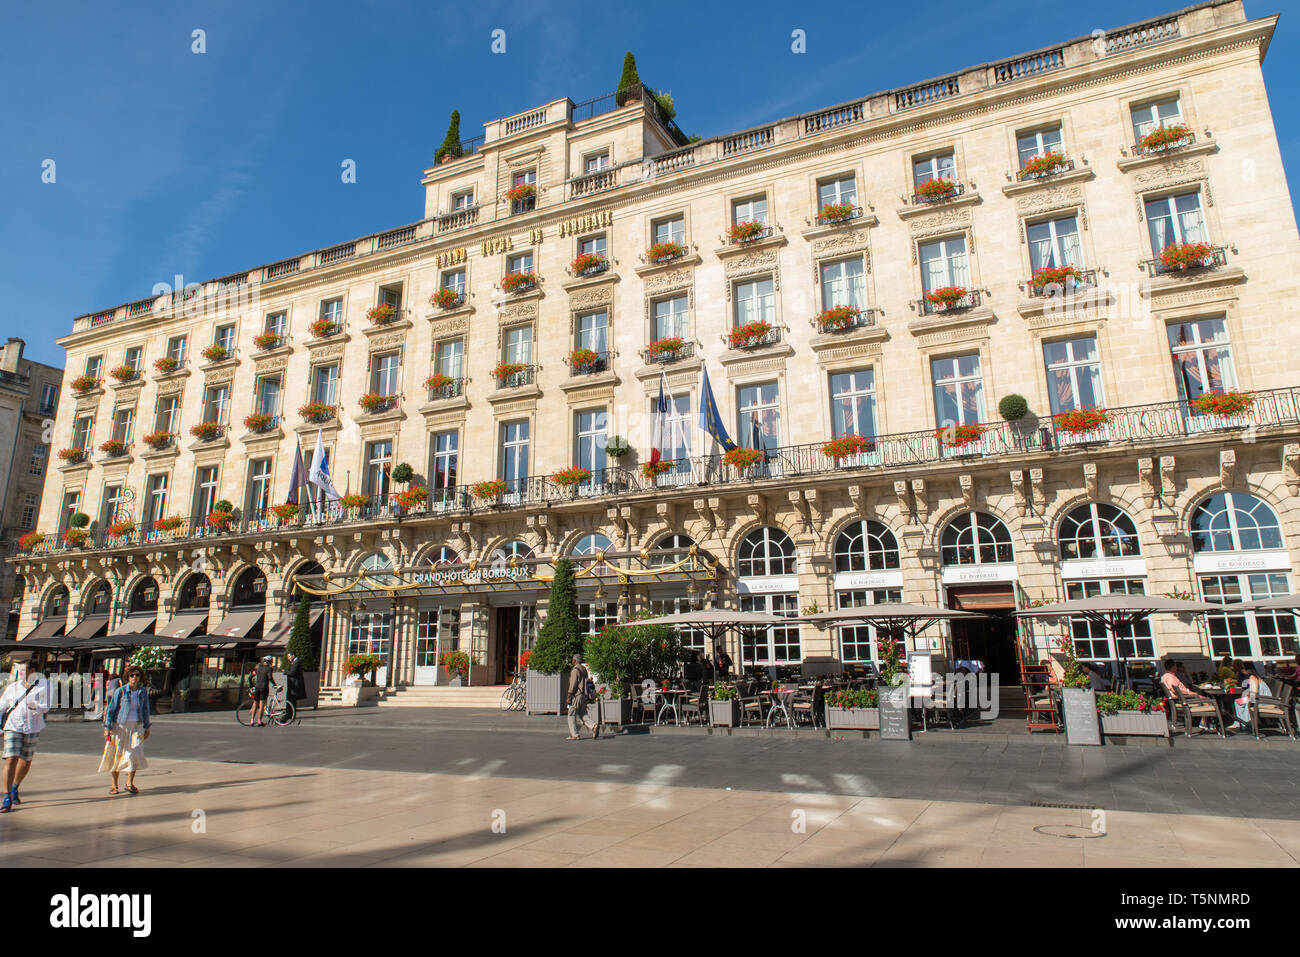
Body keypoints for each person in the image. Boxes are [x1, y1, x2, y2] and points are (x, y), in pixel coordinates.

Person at [0, 657, 51, 813]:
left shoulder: (44, 686)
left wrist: (36, 705)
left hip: (33, 727)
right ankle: (7, 796)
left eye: (23, 671)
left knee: (26, 760)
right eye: (19, 670)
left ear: (32, 671)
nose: (20, 673)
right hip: (13, 726)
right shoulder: (13, 687)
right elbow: (1, 707)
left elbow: (47, 706)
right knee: (11, 758)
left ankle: (15, 786)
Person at [99, 665, 151, 794]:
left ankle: (129, 783)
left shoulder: (142, 691)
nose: (134, 678)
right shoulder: (121, 691)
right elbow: (111, 710)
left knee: (134, 754)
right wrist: (107, 728)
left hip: (135, 727)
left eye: (137, 675)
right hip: (120, 727)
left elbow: (145, 710)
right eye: (132, 675)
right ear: (127, 677)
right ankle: (114, 785)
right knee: (116, 754)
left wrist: (146, 727)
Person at [565, 654, 599, 741]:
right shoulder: (584, 669)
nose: (572, 661)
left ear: (575, 661)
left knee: (571, 714)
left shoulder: (575, 670)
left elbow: (573, 684)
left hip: (577, 695)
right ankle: (593, 726)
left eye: (573, 659)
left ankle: (574, 734)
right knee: (583, 714)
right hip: (584, 695)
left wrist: (569, 695)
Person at [1232, 663, 1272, 731]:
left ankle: (1247, 722)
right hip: (1261, 698)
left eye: (1243, 668)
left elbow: (1255, 692)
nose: (1242, 670)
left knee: (1244, 702)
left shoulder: (1252, 677)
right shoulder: (1255, 676)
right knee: (1238, 702)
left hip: (1263, 700)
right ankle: (1242, 722)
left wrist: (1247, 698)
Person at [250, 655, 273, 727]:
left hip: (257, 687)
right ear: (270, 661)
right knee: (262, 705)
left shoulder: (258, 668)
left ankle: (252, 720)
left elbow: (250, 676)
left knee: (255, 703)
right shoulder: (269, 669)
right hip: (264, 688)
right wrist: (275, 684)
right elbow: (270, 678)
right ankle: (259, 721)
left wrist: (251, 685)